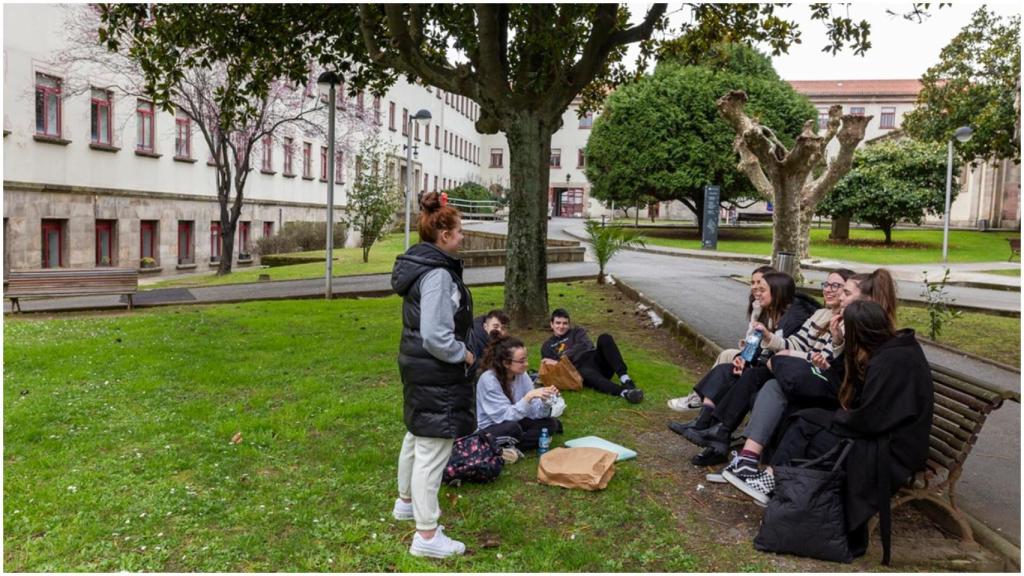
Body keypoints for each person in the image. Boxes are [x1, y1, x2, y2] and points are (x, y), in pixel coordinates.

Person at [725, 300, 932, 562]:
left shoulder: (893, 359)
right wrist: (837, 343)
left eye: (848, 330)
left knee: (817, 432)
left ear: (862, 331)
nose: (844, 333)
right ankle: (775, 482)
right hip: (874, 429)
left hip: (892, 445)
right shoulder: (884, 350)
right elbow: (844, 387)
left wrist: (838, 419)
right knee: (804, 418)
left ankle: (780, 486)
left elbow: (873, 416)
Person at [690, 269, 854, 469]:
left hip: (815, 380)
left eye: (837, 287)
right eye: (826, 285)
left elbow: (825, 360)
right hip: (797, 370)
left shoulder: (845, 321)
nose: (828, 290)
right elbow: (795, 343)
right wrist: (768, 336)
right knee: (744, 371)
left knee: (757, 377)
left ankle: (718, 432)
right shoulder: (821, 314)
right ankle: (718, 434)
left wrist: (787, 356)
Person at [390, 192, 474, 559]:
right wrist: (464, 354)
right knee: (433, 447)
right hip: (435, 367)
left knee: (417, 433)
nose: (462, 237)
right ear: (443, 235)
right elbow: (437, 336)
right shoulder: (438, 273)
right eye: (459, 231)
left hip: (416, 363)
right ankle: (426, 537)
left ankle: (405, 503)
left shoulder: (420, 265)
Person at [669, 271, 818, 460]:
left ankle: (719, 435)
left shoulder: (794, 318)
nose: (756, 291)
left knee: (748, 377)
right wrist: (744, 358)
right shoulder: (768, 311)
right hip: (767, 365)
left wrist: (753, 359)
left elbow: (784, 351)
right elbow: (755, 344)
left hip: (783, 372)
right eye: (754, 284)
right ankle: (705, 423)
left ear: (777, 292)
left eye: (762, 288)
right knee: (726, 368)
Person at [667, 265, 775, 412]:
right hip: (753, 356)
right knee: (727, 355)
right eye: (753, 283)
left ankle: (700, 399)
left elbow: (768, 341)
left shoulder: (774, 310)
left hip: (763, 363)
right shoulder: (757, 306)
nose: (755, 287)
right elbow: (752, 337)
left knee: (728, 358)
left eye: (760, 283)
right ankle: (702, 399)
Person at [540, 308, 645, 403]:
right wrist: (562, 361)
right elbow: (552, 369)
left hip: (596, 359)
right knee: (585, 372)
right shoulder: (547, 346)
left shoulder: (577, 331)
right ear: (551, 324)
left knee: (605, 337)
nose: (561, 326)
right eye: (558, 323)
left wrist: (562, 358)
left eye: (565, 323)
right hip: (579, 368)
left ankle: (625, 379)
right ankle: (626, 392)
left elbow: (586, 344)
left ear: (569, 324)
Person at [476, 335, 562, 449]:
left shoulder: (522, 375)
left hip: (517, 419)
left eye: (526, 359)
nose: (527, 364)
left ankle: (511, 446)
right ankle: (500, 446)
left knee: (550, 423)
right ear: (506, 363)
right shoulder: (489, 380)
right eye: (521, 361)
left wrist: (545, 401)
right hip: (494, 426)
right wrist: (528, 397)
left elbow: (533, 412)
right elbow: (504, 417)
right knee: (513, 429)